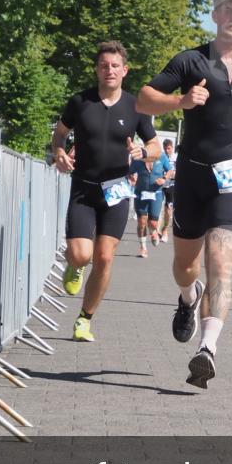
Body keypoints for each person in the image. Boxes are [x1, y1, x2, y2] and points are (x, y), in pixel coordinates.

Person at [137, 0, 232, 389]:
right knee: (185, 266)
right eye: (229, 8)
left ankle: (207, 349)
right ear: (215, 15)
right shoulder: (190, 60)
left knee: (221, 262)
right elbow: (144, 99)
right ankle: (187, 298)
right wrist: (180, 102)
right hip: (193, 174)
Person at [51, 41, 160, 341]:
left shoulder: (136, 106)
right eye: (103, 66)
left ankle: (84, 319)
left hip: (117, 190)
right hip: (83, 190)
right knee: (81, 254)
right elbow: (59, 135)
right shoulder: (80, 102)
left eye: (115, 66)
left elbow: (155, 148)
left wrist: (143, 152)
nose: (109, 70)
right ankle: (76, 265)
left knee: (105, 258)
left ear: (124, 71)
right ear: (97, 70)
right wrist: (58, 153)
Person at [129, 146, 170, 257]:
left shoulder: (161, 157)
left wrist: (164, 179)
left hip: (156, 194)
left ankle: (154, 231)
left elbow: (170, 170)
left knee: (152, 223)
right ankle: (143, 248)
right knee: (141, 222)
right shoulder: (137, 159)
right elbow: (129, 171)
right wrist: (132, 178)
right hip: (140, 194)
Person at [158, 138, 177, 242]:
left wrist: (171, 174)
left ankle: (165, 231)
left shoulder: (176, 158)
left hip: (171, 185)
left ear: (172, 148)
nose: (167, 151)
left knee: (168, 209)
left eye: (169, 149)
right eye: (165, 148)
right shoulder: (161, 157)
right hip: (160, 185)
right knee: (157, 209)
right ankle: (157, 230)